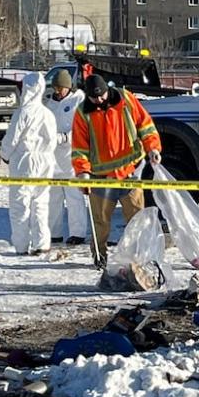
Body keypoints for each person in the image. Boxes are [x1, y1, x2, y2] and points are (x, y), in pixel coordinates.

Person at [71, 73, 162, 267]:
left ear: (107, 89)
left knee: (137, 219)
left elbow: (145, 125)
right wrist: (82, 173)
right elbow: (79, 148)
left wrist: (152, 147)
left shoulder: (126, 99)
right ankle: (99, 257)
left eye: (102, 95)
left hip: (130, 172)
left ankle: (139, 258)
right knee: (100, 222)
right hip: (100, 177)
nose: (100, 100)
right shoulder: (82, 112)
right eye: (94, 98)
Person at [0, 71, 60, 255]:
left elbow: (11, 139)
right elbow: (53, 141)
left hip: (24, 161)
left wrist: (5, 154)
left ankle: (21, 245)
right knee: (41, 203)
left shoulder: (22, 113)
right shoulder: (48, 113)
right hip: (45, 160)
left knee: (20, 204)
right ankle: (42, 243)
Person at [46, 68, 89, 245]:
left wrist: (65, 137)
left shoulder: (79, 101)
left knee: (74, 197)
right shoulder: (49, 103)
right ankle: (54, 232)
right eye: (55, 88)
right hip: (53, 158)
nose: (57, 91)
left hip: (72, 156)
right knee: (53, 198)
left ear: (68, 87)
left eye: (60, 88)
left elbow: (83, 128)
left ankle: (77, 233)